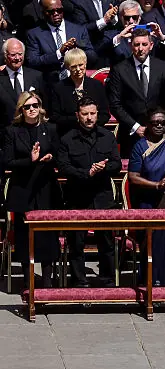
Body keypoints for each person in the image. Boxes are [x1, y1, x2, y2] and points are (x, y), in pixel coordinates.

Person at [56, 96, 121, 288]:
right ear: (78, 115)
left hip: (103, 196)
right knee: (76, 242)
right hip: (78, 197)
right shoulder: (67, 139)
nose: (89, 117)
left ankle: (107, 279)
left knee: (106, 242)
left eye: (92, 113)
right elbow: (63, 167)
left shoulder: (107, 136)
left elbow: (117, 164)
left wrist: (103, 168)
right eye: (85, 114)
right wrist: (86, 173)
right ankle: (79, 280)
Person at [1, 90, 60, 288]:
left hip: (45, 187)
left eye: (35, 105)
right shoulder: (12, 131)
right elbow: (7, 161)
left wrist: (51, 157)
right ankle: (28, 281)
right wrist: (30, 160)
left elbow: (60, 154)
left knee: (47, 235)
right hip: (23, 188)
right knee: (25, 235)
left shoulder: (50, 129)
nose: (32, 109)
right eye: (27, 107)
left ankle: (47, 281)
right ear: (21, 110)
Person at [127, 107, 165, 286]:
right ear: (148, 124)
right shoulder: (140, 146)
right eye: (155, 123)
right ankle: (150, 280)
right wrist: (156, 185)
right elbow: (133, 176)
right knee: (151, 239)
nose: (159, 126)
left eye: (163, 123)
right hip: (147, 203)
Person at [106, 27, 165, 155]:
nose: (140, 48)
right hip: (130, 134)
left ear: (151, 45)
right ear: (130, 45)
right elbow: (115, 104)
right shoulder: (119, 69)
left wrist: (159, 124)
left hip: (159, 133)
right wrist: (136, 127)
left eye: (144, 44)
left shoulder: (163, 67)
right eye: (136, 44)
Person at [25, 0, 98, 82]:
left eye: (59, 10)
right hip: (51, 83)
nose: (56, 14)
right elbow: (33, 61)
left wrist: (77, 50)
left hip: (78, 81)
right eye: (51, 11)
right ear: (43, 12)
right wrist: (58, 53)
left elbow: (93, 57)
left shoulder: (79, 30)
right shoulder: (34, 34)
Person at [47, 46, 110, 135]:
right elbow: (55, 117)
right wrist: (78, 120)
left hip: (95, 133)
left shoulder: (97, 85)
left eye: (80, 65)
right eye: (73, 66)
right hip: (69, 134)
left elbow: (105, 114)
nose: (78, 69)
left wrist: (91, 125)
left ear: (85, 64)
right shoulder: (58, 88)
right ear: (67, 67)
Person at [1, 38, 44, 127]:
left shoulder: (36, 76)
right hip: (6, 130)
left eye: (20, 54)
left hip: (33, 128)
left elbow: (43, 104)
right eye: (13, 55)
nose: (17, 58)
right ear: (5, 55)